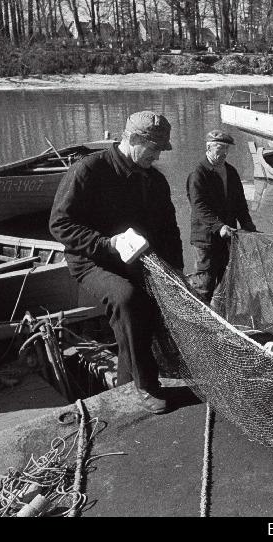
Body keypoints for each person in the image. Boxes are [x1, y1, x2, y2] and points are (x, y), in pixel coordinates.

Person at [49, 111, 184, 415]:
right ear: (132, 139)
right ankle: (146, 385)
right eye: (153, 149)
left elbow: (169, 228)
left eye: (161, 150)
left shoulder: (155, 180)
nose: (158, 155)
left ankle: (126, 382)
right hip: (91, 258)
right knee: (127, 298)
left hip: (136, 257)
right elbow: (60, 224)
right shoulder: (88, 170)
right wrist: (107, 243)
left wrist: (176, 267)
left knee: (149, 307)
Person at [187, 130, 256, 306]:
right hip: (206, 239)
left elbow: (240, 202)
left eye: (226, 148)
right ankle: (203, 321)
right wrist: (219, 227)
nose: (224, 152)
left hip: (228, 237)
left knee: (228, 280)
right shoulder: (198, 173)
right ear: (208, 148)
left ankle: (224, 315)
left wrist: (247, 223)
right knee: (205, 283)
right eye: (220, 148)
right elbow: (199, 207)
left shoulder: (231, 171)